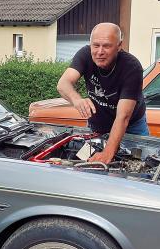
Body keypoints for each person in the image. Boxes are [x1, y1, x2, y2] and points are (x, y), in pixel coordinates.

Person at [57, 23, 148, 164]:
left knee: (138, 165)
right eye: (96, 45)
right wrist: (77, 100)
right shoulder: (85, 54)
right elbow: (63, 84)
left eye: (106, 46)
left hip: (131, 127)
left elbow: (123, 117)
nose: (99, 52)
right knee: (83, 162)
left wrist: (107, 153)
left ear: (119, 46)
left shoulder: (132, 67)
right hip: (96, 126)